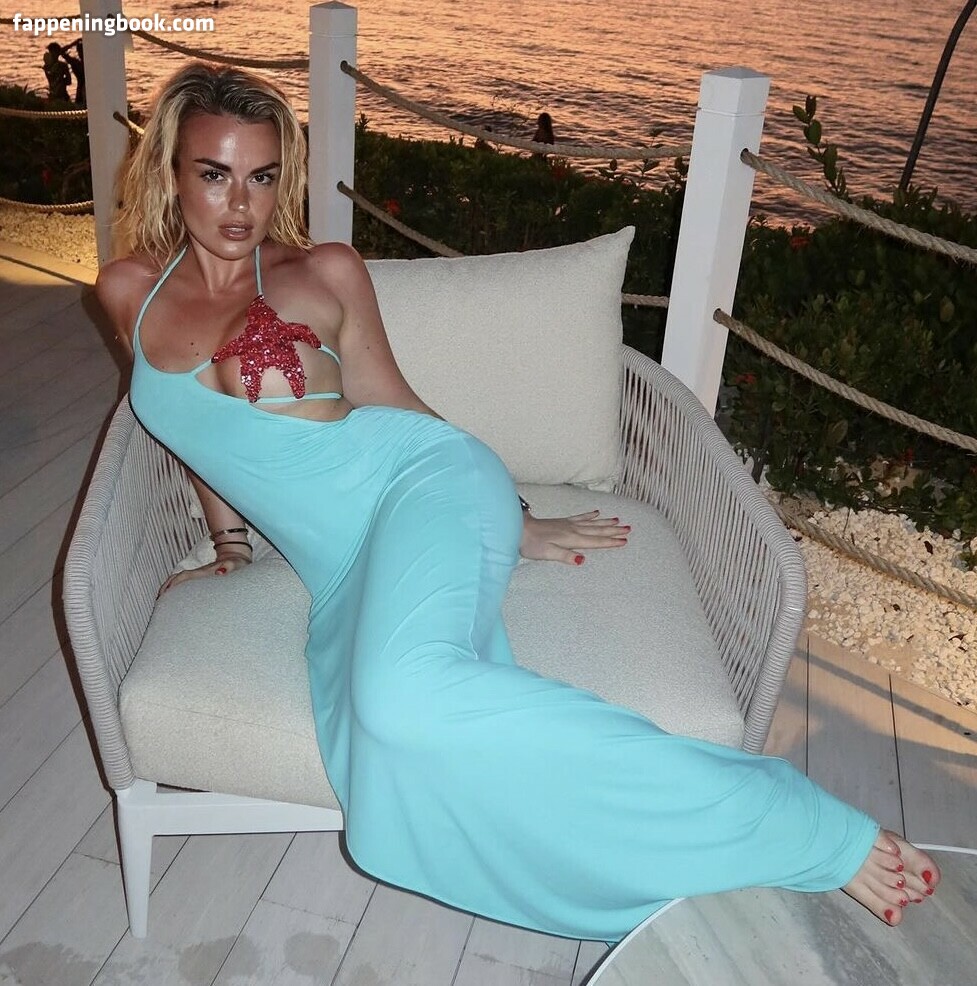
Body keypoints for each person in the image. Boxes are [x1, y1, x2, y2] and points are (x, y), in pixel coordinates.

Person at [95, 62, 940, 944]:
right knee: (384, 729)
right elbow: (194, 435)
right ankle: (662, 863)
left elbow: (398, 407)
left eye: (263, 176)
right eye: (215, 174)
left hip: (423, 483)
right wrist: (230, 546)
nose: (241, 204)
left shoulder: (324, 271)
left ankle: (796, 820)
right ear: (170, 172)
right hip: (340, 561)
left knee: (404, 699)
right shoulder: (126, 292)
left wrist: (509, 515)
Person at [60, 39, 86, 106]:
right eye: (80, 51)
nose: (81, 53)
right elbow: (61, 52)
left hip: (83, 91)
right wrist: (74, 43)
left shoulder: (77, 63)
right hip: (81, 92)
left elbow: (62, 51)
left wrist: (73, 44)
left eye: (82, 51)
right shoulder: (76, 63)